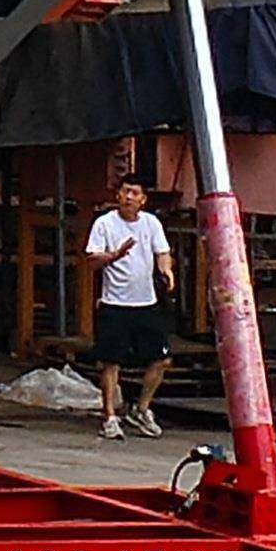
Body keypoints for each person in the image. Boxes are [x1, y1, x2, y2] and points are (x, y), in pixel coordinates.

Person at [84, 174, 174, 439]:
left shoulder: (151, 223)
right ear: (118, 195)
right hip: (114, 303)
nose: (129, 197)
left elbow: (162, 252)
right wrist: (115, 255)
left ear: (143, 199)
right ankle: (110, 416)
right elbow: (91, 261)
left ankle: (141, 409)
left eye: (135, 193)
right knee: (111, 362)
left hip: (146, 302)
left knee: (162, 358)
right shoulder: (104, 223)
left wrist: (166, 272)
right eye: (125, 192)